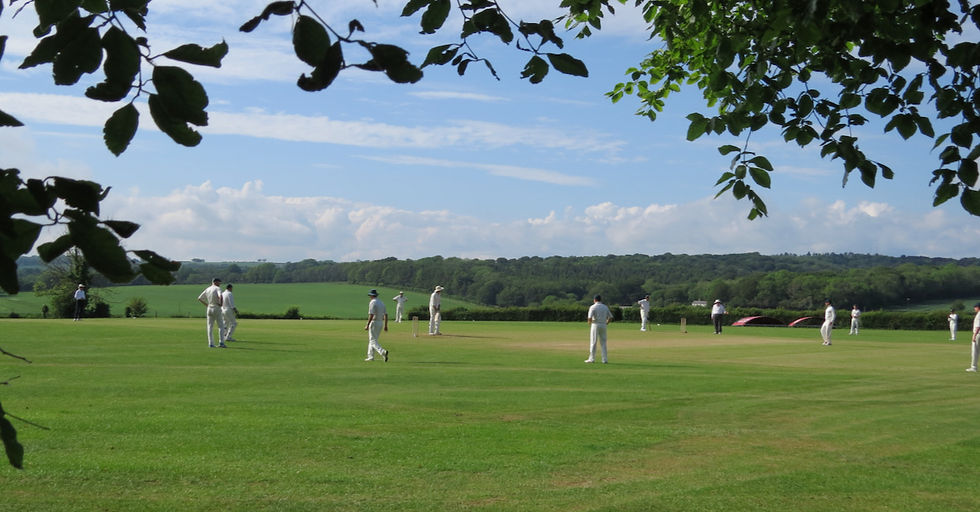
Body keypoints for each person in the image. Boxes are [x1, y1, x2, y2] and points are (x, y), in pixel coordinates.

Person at [197, 278, 226, 348]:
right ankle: (221, 342)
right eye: (219, 282)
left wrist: (206, 305)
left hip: (209, 307)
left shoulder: (208, 289)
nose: (220, 284)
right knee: (221, 326)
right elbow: (220, 296)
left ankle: (211, 343)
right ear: (216, 282)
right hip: (216, 307)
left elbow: (199, 298)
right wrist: (221, 303)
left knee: (210, 327)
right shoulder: (217, 288)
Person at [586, 295, 614, 364]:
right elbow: (610, 317)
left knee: (593, 342)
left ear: (595, 300)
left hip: (595, 324)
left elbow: (589, 318)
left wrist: (590, 323)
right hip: (603, 325)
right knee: (603, 343)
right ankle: (604, 359)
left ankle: (591, 359)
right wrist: (606, 323)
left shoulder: (593, 307)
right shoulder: (605, 307)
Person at [364, 289, 389, 362]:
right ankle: (370, 356)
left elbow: (371, 315)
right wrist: (386, 325)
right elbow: (386, 315)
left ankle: (382, 352)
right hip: (380, 322)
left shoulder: (372, 302)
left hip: (374, 322)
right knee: (373, 340)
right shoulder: (381, 302)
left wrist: (367, 324)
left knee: (372, 340)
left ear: (372, 296)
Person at [968, 303, 980, 372]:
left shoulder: (979, 315)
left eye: (975, 307)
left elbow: (978, 326)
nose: (974, 308)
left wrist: (974, 335)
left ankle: (974, 367)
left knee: (975, 351)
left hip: (978, 334)